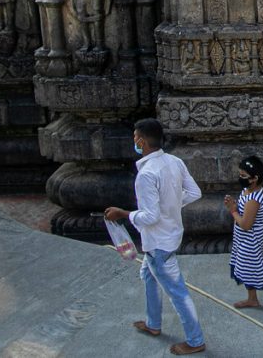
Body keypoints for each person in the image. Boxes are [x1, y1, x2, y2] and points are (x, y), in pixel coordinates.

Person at [104, 118, 206, 356]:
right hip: (167, 237)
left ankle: (195, 340)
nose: (135, 143)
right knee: (148, 276)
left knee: (178, 292)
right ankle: (153, 324)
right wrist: (171, 205)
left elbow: (149, 217)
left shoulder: (146, 175)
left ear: (141, 140)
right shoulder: (174, 161)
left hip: (159, 244)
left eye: (135, 139)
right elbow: (194, 192)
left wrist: (124, 214)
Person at [223, 156, 263, 309]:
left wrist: (233, 210)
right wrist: (237, 207)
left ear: (255, 178)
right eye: (240, 174)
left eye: (243, 176)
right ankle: (252, 299)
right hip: (243, 238)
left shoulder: (254, 199)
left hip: (251, 239)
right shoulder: (247, 190)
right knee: (244, 268)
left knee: (254, 268)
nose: (240, 178)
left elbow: (245, 224)